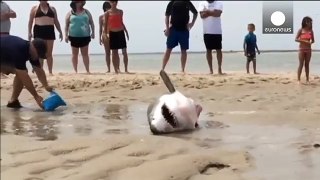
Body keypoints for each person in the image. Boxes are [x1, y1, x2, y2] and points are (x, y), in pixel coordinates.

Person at [0, 35, 53, 109]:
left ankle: (13, 101)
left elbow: (39, 70)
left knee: (21, 73)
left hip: (4, 56)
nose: (38, 57)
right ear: (34, 47)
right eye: (39, 54)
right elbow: (25, 78)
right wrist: (36, 96)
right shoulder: (20, 49)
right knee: (22, 74)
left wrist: (46, 85)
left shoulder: (31, 52)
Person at [28, 0, 63, 75]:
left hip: (50, 30)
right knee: (39, 52)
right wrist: (29, 32)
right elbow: (30, 21)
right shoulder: (34, 8)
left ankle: (50, 72)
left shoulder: (52, 8)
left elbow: (56, 21)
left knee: (49, 53)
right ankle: (40, 71)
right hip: (39, 30)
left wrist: (60, 31)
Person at [162, 0, 198, 73]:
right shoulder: (172, 2)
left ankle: (182, 70)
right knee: (168, 49)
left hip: (184, 29)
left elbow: (195, 13)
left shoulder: (187, 2)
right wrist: (167, 29)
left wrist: (192, 23)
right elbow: (167, 16)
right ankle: (162, 68)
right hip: (173, 29)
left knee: (183, 50)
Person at [65, 0, 95, 74]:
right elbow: (66, 26)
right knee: (74, 54)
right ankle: (75, 71)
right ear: (74, 3)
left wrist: (93, 32)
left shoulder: (87, 12)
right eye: (78, 2)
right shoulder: (70, 13)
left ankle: (87, 70)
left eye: (81, 2)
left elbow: (91, 23)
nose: (79, 3)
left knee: (85, 54)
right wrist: (65, 35)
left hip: (85, 36)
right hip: (73, 36)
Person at [104, 0, 129, 74]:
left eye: (115, 1)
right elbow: (105, 25)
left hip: (120, 32)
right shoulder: (107, 13)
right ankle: (116, 70)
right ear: (110, 3)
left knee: (124, 52)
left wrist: (126, 31)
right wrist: (106, 34)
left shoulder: (120, 12)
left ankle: (126, 69)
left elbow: (121, 22)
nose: (114, 3)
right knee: (114, 52)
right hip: (112, 33)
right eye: (112, 1)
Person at [198, 0, 223, 75]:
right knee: (208, 50)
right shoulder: (202, 3)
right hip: (207, 31)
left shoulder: (219, 3)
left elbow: (217, 14)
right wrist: (212, 12)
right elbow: (202, 15)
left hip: (217, 31)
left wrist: (207, 11)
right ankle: (211, 70)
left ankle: (219, 69)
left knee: (219, 50)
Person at [295, 16, 314, 84]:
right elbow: (296, 39)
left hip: (308, 49)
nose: (311, 23)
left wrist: (310, 42)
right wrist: (304, 41)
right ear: (306, 22)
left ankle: (307, 80)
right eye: (310, 22)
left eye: (311, 22)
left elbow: (313, 40)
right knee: (301, 64)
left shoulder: (311, 31)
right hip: (301, 49)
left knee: (307, 64)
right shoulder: (301, 30)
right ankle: (298, 80)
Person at [99, 1, 111, 73]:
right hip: (105, 35)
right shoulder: (101, 17)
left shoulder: (113, 15)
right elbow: (100, 28)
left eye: (109, 7)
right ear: (104, 8)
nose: (108, 8)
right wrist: (99, 38)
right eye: (107, 7)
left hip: (113, 34)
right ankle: (108, 68)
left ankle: (117, 67)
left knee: (115, 52)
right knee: (107, 52)